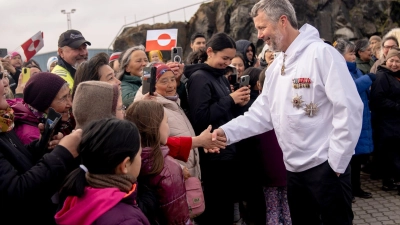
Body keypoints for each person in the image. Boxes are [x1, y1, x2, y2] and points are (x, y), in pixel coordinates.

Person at [212, 1, 363, 224]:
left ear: (283, 21)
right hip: (293, 172)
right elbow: (261, 114)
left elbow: (349, 108)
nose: (259, 35)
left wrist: (337, 163)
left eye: (262, 27)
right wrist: (226, 132)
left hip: (326, 169)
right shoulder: (275, 67)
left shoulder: (322, 54)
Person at [184, 32, 251, 224]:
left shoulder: (220, 76)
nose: (228, 62)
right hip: (214, 156)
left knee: (227, 209)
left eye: (230, 59)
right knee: (218, 210)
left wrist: (239, 102)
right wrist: (230, 99)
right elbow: (200, 118)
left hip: (226, 150)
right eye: (225, 58)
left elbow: (224, 111)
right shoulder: (200, 78)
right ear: (210, 52)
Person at [0, 71, 81, 224]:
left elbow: (17, 157)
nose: (5, 83)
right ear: (44, 102)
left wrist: (42, 146)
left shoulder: (3, 123)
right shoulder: (24, 130)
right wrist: (62, 154)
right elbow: (17, 191)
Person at [56, 118, 150, 225]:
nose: (141, 158)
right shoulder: (126, 220)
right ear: (125, 164)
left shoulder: (77, 195)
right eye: (139, 154)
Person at [125, 100, 191, 225]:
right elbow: (178, 216)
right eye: (166, 122)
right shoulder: (168, 168)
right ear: (154, 127)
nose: (168, 127)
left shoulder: (127, 160)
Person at [335, 38, 375, 201]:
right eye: (350, 53)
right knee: (350, 159)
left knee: (357, 158)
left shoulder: (355, 70)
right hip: (351, 119)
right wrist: (369, 79)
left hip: (361, 116)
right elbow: (351, 89)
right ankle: (349, 190)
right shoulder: (340, 70)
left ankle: (356, 187)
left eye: (353, 53)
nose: (353, 56)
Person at [7, 72, 75, 145]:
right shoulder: (32, 137)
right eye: (63, 98)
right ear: (43, 104)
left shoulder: (60, 123)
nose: (70, 104)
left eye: (69, 95)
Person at [370, 48, 400, 194]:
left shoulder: (396, 76)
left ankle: (390, 181)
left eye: (397, 61)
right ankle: (390, 181)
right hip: (387, 122)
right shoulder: (382, 76)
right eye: (391, 60)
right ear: (386, 61)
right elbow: (377, 99)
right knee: (391, 153)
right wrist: (396, 106)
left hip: (395, 121)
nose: (394, 64)